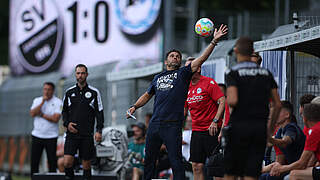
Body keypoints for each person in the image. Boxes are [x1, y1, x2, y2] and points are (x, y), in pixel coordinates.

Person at [126, 24, 228, 180]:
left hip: (172, 124)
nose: (175, 57)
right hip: (155, 123)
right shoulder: (157, 78)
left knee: (176, 161)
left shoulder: (183, 73)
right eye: (172, 55)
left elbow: (201, 59)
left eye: (178, 56)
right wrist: (134, 106)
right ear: (166, 60)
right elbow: (147, 95)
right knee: (149, 161)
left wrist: (213, 41)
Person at [224, 37, 281, 180]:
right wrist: (269, 129)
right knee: (251, 173)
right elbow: (277, 104)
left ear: (236, 51)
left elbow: (232, 100)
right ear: (252, 52)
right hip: (259, 128)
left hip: (239, 127)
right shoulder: (266, 73)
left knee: (231, 172)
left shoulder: (233, 72)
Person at [184, 57, 225, 180]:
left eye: (189, 67)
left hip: (212, 130)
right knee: (196, 165)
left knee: (215, 166)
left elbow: (222, 101)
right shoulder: (186, 87)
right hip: (196, 131)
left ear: (198, 68)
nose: (186, 70)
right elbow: (184, 110)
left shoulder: (208, 82)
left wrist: (215, 121)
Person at [62, 64, 104, 180]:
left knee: (86, 164)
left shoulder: (94, 92)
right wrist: (67, 124)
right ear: (75, 75)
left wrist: (99, 130)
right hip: (71, 134)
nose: (80, 76)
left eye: (82, 73)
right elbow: (64, 111)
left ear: (87, 75)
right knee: (67, 163)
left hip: (86, 134)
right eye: (78, 73)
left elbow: (99, 112)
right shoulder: (69, 92)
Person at [270, 103, 320, 180]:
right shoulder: (279, 132)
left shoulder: (312, 131)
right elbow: (312, 160)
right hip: (298, 165)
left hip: (295, 165)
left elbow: (302, 163)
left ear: (305, 118)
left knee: (293, 174)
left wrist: (282, 168)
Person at [260, 101, 305, 180]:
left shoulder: (291, 127)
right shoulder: (280, 131)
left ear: (287, 115)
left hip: (300, 168)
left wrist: (270, 139)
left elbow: (285, 142)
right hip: (290, 168)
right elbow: (279, 161)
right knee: (262, 177)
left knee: (271, 177)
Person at [29, 82, 63, 177]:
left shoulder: (58, 102)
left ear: (53, 91)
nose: (46, 92)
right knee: (34, 162)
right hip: (37, 135)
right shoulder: (37, 100)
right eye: (45, 89)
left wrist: (42, 114)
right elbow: (32, 113)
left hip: (51, 136)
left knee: (52, 162)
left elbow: (55, 119)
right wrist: (42, 102)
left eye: (49, 89)